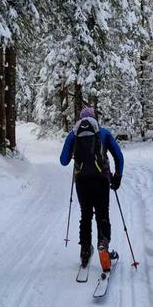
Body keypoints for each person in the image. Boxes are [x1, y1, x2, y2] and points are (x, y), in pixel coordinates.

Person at [60, 106, 124, 271]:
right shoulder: (103, 132)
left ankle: (85, 251)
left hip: (82, 181)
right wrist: (118, 176)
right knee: (103, 214)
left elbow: (63, 160)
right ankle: (103, 245)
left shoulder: (74, 134)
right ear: (95, 119)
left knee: (85, 215)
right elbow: (118, 155)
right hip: (101, 180)